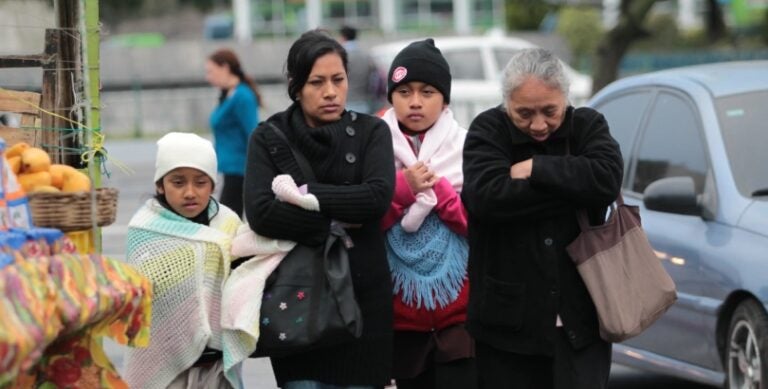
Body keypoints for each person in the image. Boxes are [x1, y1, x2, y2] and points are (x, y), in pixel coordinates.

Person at [461, 48, 623, 389]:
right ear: (506, 103)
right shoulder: (487, 130)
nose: (539, 125)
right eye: (524, 113)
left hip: (583, 319)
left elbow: (606, 180)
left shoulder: (588, 125)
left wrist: (536, 168)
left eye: (550, 111)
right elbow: (487, 198)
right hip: (507, 327)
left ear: (566, 97)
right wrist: (572, 187)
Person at [243, 29, 395, 388]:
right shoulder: (269, 138)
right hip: (297, 306)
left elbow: (375, 198)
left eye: (337, 80)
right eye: (317, 82)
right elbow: (262, 212)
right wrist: (336, 223)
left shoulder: (373, 132)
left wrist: (307, 194)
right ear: (296, 87)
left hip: (363, 306)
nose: (330, 92)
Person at [378, 39, 476, 389]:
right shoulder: (373, 146)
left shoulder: (467, 147)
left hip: (458, 316)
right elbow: (363, 219)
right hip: (401, 317)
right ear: (391, 96)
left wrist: (443, 194)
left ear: (444, 98)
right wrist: (404, 188)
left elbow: (478, 226)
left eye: (427, 91)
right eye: (404, 91)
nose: (415, 101)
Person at [123, 132, 243, 389]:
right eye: (178, 182)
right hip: (167, 371)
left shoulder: (229, 222)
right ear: (160, 185)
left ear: (213, 185)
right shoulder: (144, 230)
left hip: (217, 367)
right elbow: (139, 302)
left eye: (200, 182)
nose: (190, 193)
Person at [206, 48, 261, 217]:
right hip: (228, 169)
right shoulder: (228, 94)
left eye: (211, 71)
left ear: (225, 68)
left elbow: (253, 133)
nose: (208, 77)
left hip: (239, 170)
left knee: (226, 220)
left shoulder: (242, 96)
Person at [338, 25, 384, 114]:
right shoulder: (366, 55)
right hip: (365, 104)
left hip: (345, 103)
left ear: (343, 37)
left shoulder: (339, 57)